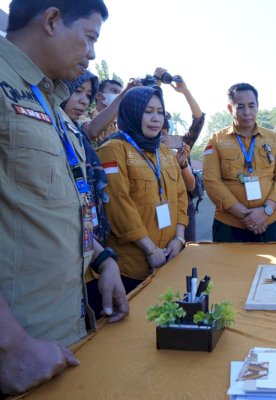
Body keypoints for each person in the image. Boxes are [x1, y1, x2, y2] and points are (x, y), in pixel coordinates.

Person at [0, 0, 129, 395]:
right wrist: (11, 346)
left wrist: (100, 257)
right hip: (22, 352)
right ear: (53, 20)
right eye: (89, 37)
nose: (92, 53)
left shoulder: (47, 100)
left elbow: (48, 204)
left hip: (63, 334)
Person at [97, 86, 188, 293]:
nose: (156, 119)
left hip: (170, 257)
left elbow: (181, 196)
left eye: (159, 112)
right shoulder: (113, 149)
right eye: (148, 112)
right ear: (132, 112)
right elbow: (118, 205)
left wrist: (179, 238)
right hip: (132, 268)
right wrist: (150, 249)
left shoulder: (164, 151)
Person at [61, 70, 130, 317]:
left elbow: (89, 129)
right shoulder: (57, 134)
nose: (83, 100)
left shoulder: (74, 134)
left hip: (93, 245)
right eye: (77, 91)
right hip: (66, 252)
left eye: (87, 95)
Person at [203, 83, 276, 243]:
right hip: (230, 226)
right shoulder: (216, 140)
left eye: (251, 106)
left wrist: (265, 211)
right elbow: (212, 181)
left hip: (270, 223)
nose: (247, 112)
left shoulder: (274, 139)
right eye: (240, 107)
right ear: (230, 108)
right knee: (230, 269)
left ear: (258, 106)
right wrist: (246, 215)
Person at [153, 67, 206, 242]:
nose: (161, 136)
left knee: (187, 253)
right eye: (156, 132)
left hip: (184, 207)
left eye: (164, 132)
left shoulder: (181, 144)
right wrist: (156, 82)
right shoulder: (141, 149)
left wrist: (185, 91)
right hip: (156, 207)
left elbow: (198, 120)